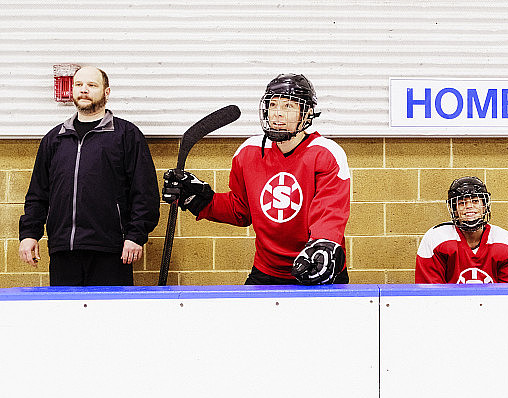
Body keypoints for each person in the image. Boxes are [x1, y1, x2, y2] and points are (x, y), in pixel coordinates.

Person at [162, 73, 350, 285]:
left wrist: (323, 245)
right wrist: (198, 199)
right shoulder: (248, 152)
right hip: (267, 271)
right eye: (273, 105)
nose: (278, 114)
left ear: (306, 114)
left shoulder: (325, 153)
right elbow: (240, 211)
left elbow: (329, 212)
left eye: (288, 106)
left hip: (316, 267)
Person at [18, 66, 160, 286]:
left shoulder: (126, 135)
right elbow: (38, 194)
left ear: (107, 92)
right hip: (63, 250)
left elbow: (145, 192)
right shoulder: (54, 139)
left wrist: (135, 236)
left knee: (109, 318)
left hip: (112, 250)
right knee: (68, 318)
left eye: (92, 85)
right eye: (79, 85)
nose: (84, 90)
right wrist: (29, 234)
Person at [415, 177, 508, 283]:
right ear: (455, 210)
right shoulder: (436, 239)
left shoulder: (506, 242)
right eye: (462, 203)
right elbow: (431, 293)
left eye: (475, 201)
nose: (469, 206)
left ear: (485, 206)